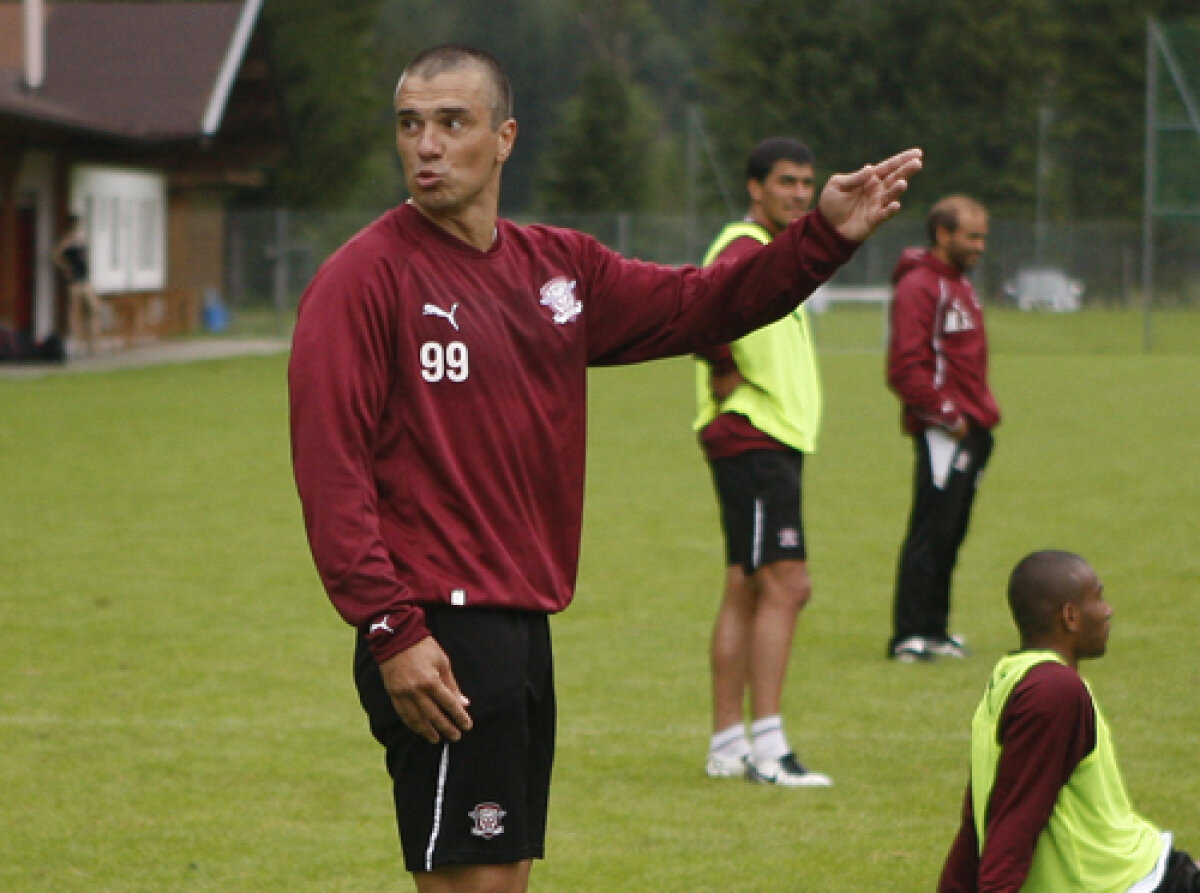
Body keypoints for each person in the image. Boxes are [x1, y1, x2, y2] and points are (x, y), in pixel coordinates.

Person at [288, 43, 921, 893]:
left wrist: (824, 236)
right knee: (470, 885)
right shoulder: (362, 279)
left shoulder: (558, 271)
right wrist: (391, 631)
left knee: (503, 878)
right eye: (409, 124)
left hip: (522, 626)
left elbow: (704, 303)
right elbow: (331, 474)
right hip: (435, 627)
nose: (426, 145)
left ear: (505, 138)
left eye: (452, 122)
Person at [938, 550, 1200, 892]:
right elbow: (1015, 821)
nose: (1108, 610)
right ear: (1070, 617)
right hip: (1122, 883)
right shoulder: (1054, 691)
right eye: (1099, 598)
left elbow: (981, 814)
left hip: (1141, 867)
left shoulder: (1008, 680)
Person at [694, 137, 830, 787]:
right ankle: (769, 750)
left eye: (806, 183)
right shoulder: (743, 249)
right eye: (786, 182)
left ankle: (728, 744)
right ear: (756, 188)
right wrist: (723, 368)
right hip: (753, 435)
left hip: (771, 437)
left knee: (746, 587)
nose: (799, 194)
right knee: (787, 584)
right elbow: (704, 311)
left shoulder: (775, 253)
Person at [885, 195, 999, 663]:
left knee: (951, 532)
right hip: (944, 431)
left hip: (971, 429)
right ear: (942, 234)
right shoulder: (919, 286)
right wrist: (948, 416)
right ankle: (909, 634)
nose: (980, 247)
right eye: (972, 237)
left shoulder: (960, 284)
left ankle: (935, 629)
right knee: (930, 531)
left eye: (983, 237)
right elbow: (905, 367)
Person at [53, 213, 103, 355]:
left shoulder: (82, 239)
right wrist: (66, 268)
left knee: (95, 308)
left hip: (85, 278)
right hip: (74, 281)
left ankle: (94, 343)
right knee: (76, 312)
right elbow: (56, 256)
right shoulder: (67, 241)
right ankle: (78, 344)